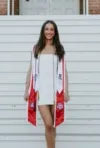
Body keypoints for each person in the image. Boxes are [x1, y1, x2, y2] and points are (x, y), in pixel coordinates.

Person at [24, 20, 70, 148]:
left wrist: (66, 91)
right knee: (48, 124)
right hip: (41, 92)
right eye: (46, 29)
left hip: (56, 92)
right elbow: (30, 70)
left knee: (53, 126)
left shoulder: (59, 49)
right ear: (43, 31)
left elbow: (64, 71)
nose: (49, 32)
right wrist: (26, 90)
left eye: (51, 29)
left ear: (55, 32)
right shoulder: (36, 49)